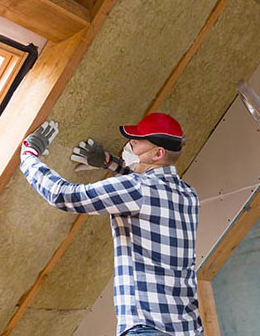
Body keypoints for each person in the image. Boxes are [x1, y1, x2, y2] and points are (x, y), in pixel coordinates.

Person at [19, 113, 203, 336]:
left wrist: (28, 156)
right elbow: (145, 188)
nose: (129, 145)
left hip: (148, 328)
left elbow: (64, 195)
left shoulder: (137, 188)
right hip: (189, 329)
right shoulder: (188, 195)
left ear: (158, 153)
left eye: (136, 142)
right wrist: (109, 162)